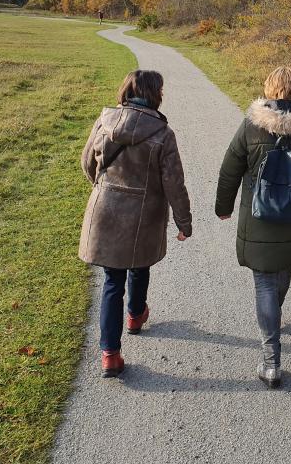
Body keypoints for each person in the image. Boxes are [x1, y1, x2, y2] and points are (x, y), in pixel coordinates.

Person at [215, 66, 291, 387]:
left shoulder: (252, 125)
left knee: (265, 283)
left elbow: (230, 169)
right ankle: (274, 319)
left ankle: (271, 362)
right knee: (282, 273)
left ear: (270, 90)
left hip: (258, 218)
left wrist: (223, 207)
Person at [79, 70, 192, 377]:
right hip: (144, 214)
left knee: (112, 281)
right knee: (140, 265)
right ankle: (135, 315)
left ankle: (110, 355)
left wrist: (104, 189)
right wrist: (184, 221)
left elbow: (87, 163)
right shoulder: (163, 134)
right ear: (156, 94)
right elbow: (174, 184)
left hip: (105, 209)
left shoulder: (105, 121)